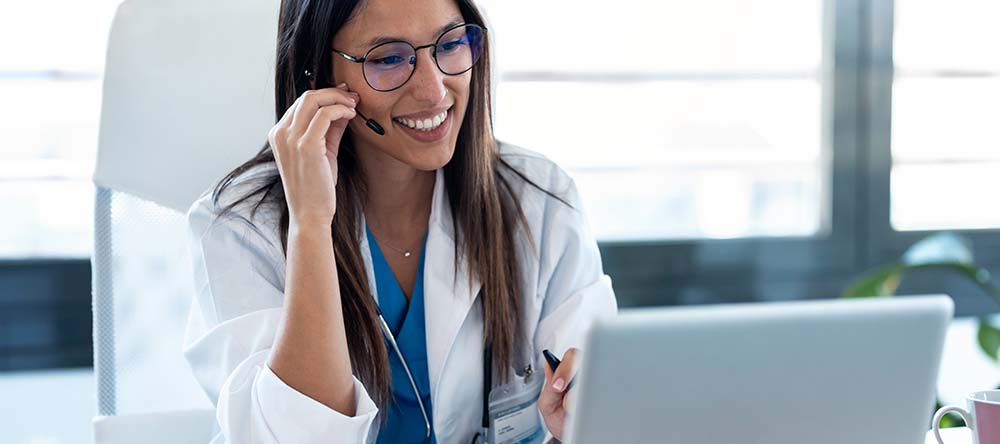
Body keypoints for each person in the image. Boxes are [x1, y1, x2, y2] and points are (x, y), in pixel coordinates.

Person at [182, 0, 617, 442]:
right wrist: (311, 223)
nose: (434, 90)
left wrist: (587, 421)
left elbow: (608, 407)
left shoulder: (540, 200)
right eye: (389, 58)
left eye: (449, 45)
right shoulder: (241, 228)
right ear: (319, 74)